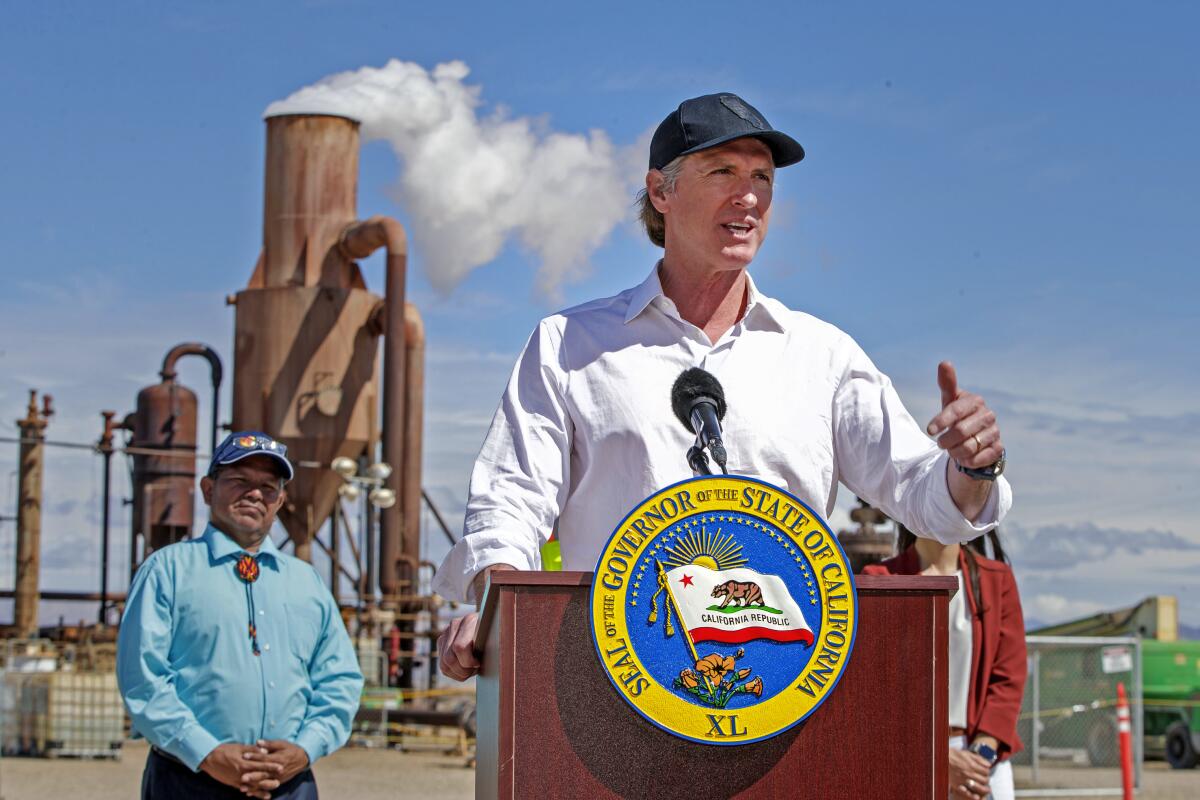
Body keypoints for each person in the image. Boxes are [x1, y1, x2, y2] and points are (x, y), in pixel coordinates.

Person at [435, 92, 1012, 681]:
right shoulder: (569, 344)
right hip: (608, 686)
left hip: (781, 686)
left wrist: (972, 469)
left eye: (762, 177)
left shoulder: (823, 356)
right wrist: (495, 606)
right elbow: (511, 498)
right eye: (723, 173)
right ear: (661, 192)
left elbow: (923, 495)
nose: (749, 196)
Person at [118, 432, 364, 800]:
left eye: (268, 486)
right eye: (239, 481)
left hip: (289, 783)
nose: (254, 494)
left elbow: (339, 679)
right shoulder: (168, 570)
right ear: (207, 489)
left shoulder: (305, 582)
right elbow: (143, 678)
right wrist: (207, 753)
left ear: (280, 500)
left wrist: (305, 749)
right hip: (189, 779)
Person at [864, 527, 1027, 800]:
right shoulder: (880, 580)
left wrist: (980, 756)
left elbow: (1009, 677)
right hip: (908, 754)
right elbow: (875, 688)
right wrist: (940, 759)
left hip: (981, 760)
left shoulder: (996, 580)